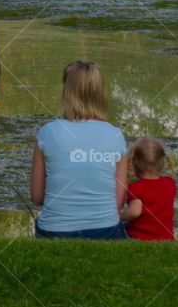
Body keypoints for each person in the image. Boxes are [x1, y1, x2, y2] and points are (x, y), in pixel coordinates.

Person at [30, 60, 128, 239]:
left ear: (67, 92)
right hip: (105, 230)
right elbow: (118, 203)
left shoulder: (47, 133)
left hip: (54, 231)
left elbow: (37, 197)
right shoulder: (116, 136)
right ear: (101, 93)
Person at [120, 137, 177, 241]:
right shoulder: (170, 184)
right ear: (162, 162)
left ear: (135, 163)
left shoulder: (135, 187)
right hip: (166, 237)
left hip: (139, 237)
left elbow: (134, 212)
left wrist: (119, 215)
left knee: (118, 228)